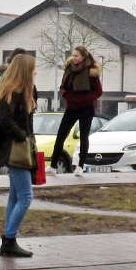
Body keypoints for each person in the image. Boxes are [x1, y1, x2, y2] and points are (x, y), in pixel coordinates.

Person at [0, 53, 38, 257]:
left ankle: (8, 238)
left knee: (14, 196)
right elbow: (5, 120)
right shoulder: (12, 92)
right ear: (24, 71)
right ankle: (9, 240)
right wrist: (22, 137)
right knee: (26, 196)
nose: (35, 72)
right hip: (14, 150)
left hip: (17, 148)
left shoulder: (22, 91)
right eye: (32, 69)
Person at [53, 46, 102, 176]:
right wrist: (69, 97)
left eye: (77, 56)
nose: (74, 58)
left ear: (83, 57)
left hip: (86, 108)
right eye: (73, 55)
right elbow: (63, 88)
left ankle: (80, 166)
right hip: (71, 106)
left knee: (84, 136)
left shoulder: (91, 72)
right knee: (61, 135)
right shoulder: (69, 69)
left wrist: (86, 99)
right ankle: (52, 166)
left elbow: (98, 91)